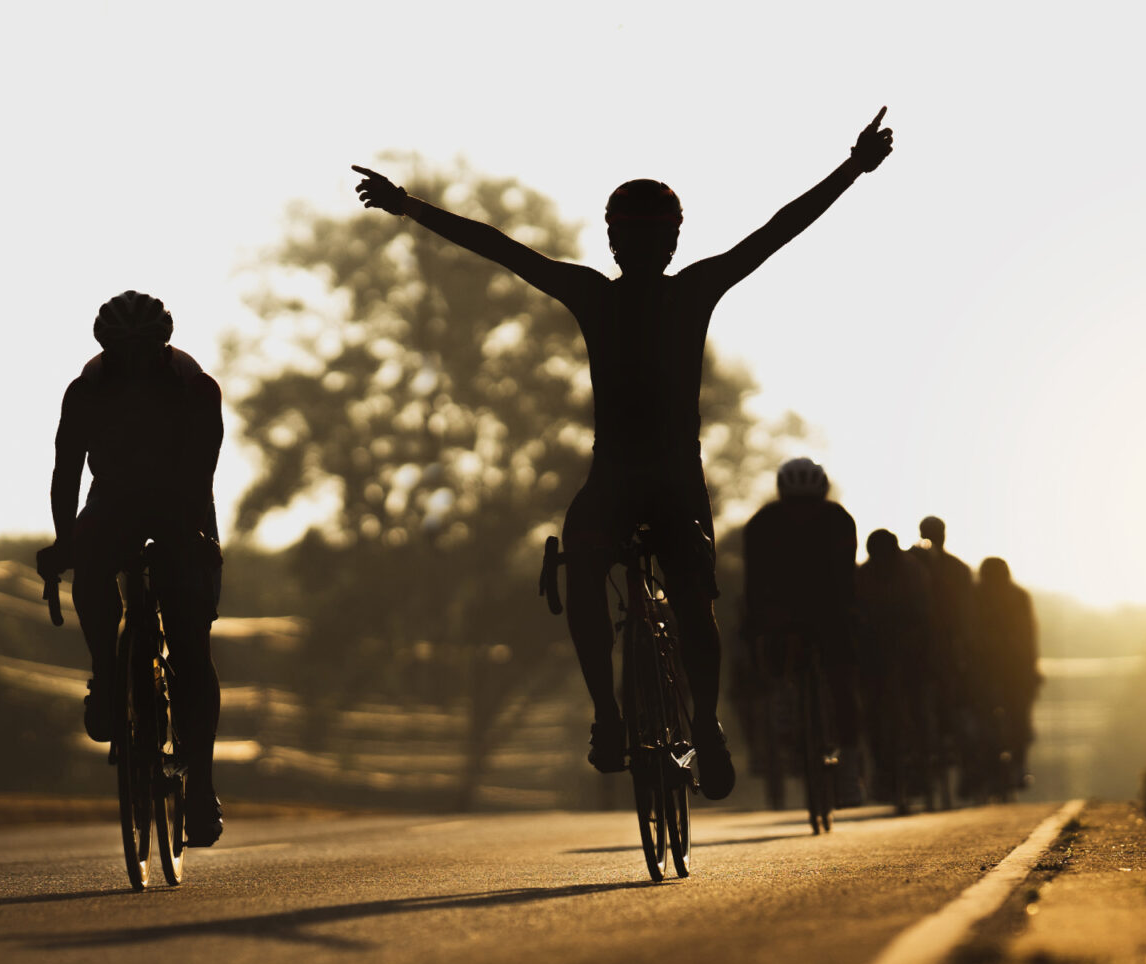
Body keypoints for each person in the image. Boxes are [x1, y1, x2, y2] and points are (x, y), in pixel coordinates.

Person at [352, 110, 896, 798]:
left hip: (635, 478)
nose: (636, 245)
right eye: (630, 234)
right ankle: (670, 725)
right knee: (672, 596)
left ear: (652, 241)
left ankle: (641, 723)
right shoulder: (686, 288)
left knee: (610, 578)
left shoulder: (602, 291)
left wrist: (408, 206)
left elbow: (500, 248)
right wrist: (851, 168)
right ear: (651, 241)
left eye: (643, 235)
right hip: (657, 478)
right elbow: (775, 232)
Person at [36, 291, 227, 846]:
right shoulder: (87, 391)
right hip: (115, 498)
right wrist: (63, 541)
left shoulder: (196, 389)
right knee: (90, 567)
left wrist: (194, 539)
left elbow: (202, 472)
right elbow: (66, 471)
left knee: (191, 645)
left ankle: (200, 787)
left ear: (163, 347)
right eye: (123, 355)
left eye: (144, 352)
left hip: (182, 500)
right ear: (106, 351)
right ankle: (106, 673)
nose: (135, 366)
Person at [742, 458, 862, 804]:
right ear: (783, 497)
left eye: (808, 504)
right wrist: (755, 623)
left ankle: (850, 767)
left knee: (842, 680)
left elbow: (846, 579)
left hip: (828, 606)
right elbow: (755, 582)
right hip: (781, 608)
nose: (802, 513)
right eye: (796, 504)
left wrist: (852, 615)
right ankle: (783, 700)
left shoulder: (839, 520)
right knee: (772, 650)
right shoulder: (763, 524)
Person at [856, 528, 932, 809]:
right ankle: (883, 770)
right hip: (876, 648)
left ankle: (923, 763)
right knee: (874, 711)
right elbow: (857, 615)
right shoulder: (863, 575)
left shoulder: (913, 573)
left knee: (916, 703)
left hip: (910, 644)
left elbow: (926, 613)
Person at [908, 515, 976, 800]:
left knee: (955, 704)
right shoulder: (952, 568)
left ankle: (961, 765)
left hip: (939, 648)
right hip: (930, 648)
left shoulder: (919, 564)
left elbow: (967, 613)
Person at [970, 556, 1041, 792]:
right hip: (1001, 668)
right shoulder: (1017, 596)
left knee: (1013, 716)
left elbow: (1028, 636)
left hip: (1005, 668)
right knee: (1016, 717)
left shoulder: (977, 595)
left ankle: (1012, 763)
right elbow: (1029, 636)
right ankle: (1017, 764)